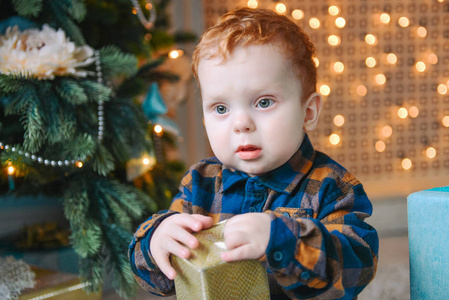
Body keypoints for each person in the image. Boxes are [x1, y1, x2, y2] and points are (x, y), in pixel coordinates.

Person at [129, 7, 378, 300]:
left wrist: (283, 241)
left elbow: (357, 265)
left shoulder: (332, 187)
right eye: (221, 108)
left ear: (308, 112)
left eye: (263, 102)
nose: (241, 123)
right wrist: (156, 240)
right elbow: (161, 281)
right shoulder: (200, 183)